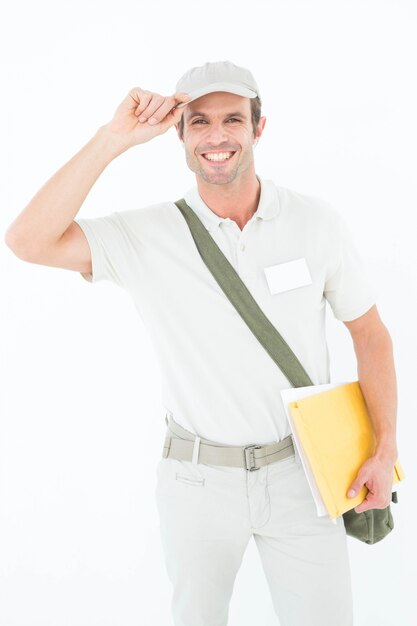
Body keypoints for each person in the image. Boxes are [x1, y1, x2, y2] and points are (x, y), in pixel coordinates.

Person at [5, 61, 398, 626]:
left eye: (233, 119)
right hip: (197, 480)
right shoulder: (147, 235)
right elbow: (27, 240)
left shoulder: (315, 223)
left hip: (302, 473)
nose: (217, 137)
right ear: (180, 135)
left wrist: (384, 450)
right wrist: (112, 140)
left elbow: (372, 334)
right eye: (200, 122)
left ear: (258, 129)